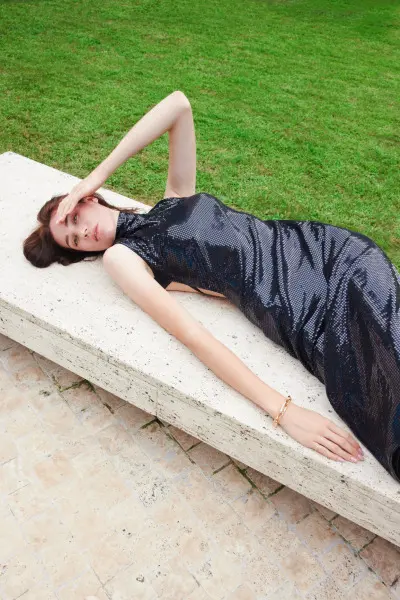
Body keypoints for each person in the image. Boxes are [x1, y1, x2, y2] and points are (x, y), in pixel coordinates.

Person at [23, 91, 400, 481]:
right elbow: (193, 335)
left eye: (75, 218)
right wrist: (283, 411)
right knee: (379, 393)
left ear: (88, 199)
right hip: (299, 311)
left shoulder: (175, 197)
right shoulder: (124, 258)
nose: (84, 232)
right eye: (74, 241)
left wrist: (95, 175)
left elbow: (178, 105)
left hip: (327, 251)